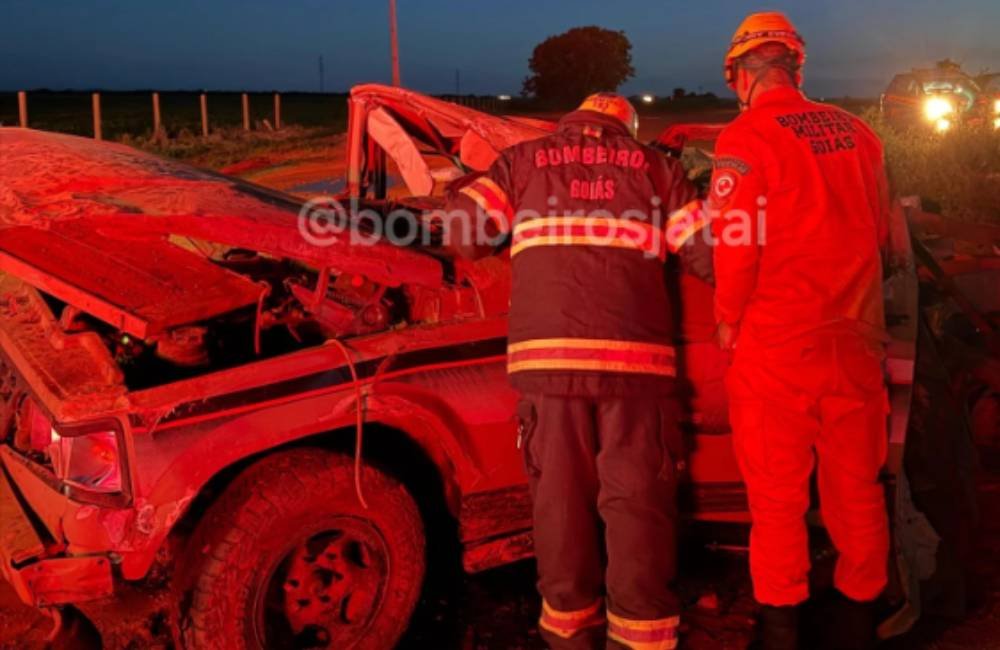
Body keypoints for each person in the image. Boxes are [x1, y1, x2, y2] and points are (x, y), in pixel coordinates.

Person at [445, 93, 708, 649]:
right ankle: (641, 638)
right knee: (637, 505)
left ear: (573, 120)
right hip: (635, 369)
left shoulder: (521, 162)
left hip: (547, 366)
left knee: (560, 504)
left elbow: (464, 238)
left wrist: (460, 189)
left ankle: (569, 633)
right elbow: (710, 255)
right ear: (627, 129)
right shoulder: (659, 169)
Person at [709, 11, 892, 650]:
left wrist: (727, 319)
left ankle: (782, 626)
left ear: (740, 73)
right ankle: (859, 621)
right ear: (795, 67)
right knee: (857, 488)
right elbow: (882, 229)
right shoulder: (858, 133)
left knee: (776, 499)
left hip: (778, 344)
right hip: (857, 337)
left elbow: (735, 245)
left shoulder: (746, 136)